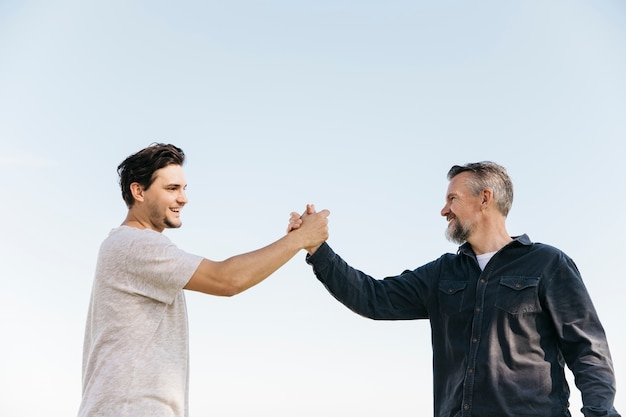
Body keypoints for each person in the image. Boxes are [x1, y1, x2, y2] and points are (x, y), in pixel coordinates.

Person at [290, 162, 620, 417]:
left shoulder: (548, 264)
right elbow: (373, 298)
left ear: (485, 198)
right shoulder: (441, 273)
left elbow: (587, 351)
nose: (444, 209)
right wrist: (318, 249)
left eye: (452, 199)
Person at [78, 143, 330, 417]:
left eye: (184, 189)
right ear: (138, 191)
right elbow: (227, 280)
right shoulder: (135, 244)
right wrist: (299, 239)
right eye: (171, 189)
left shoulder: (132, 246)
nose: (183, 198)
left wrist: (293, 241)